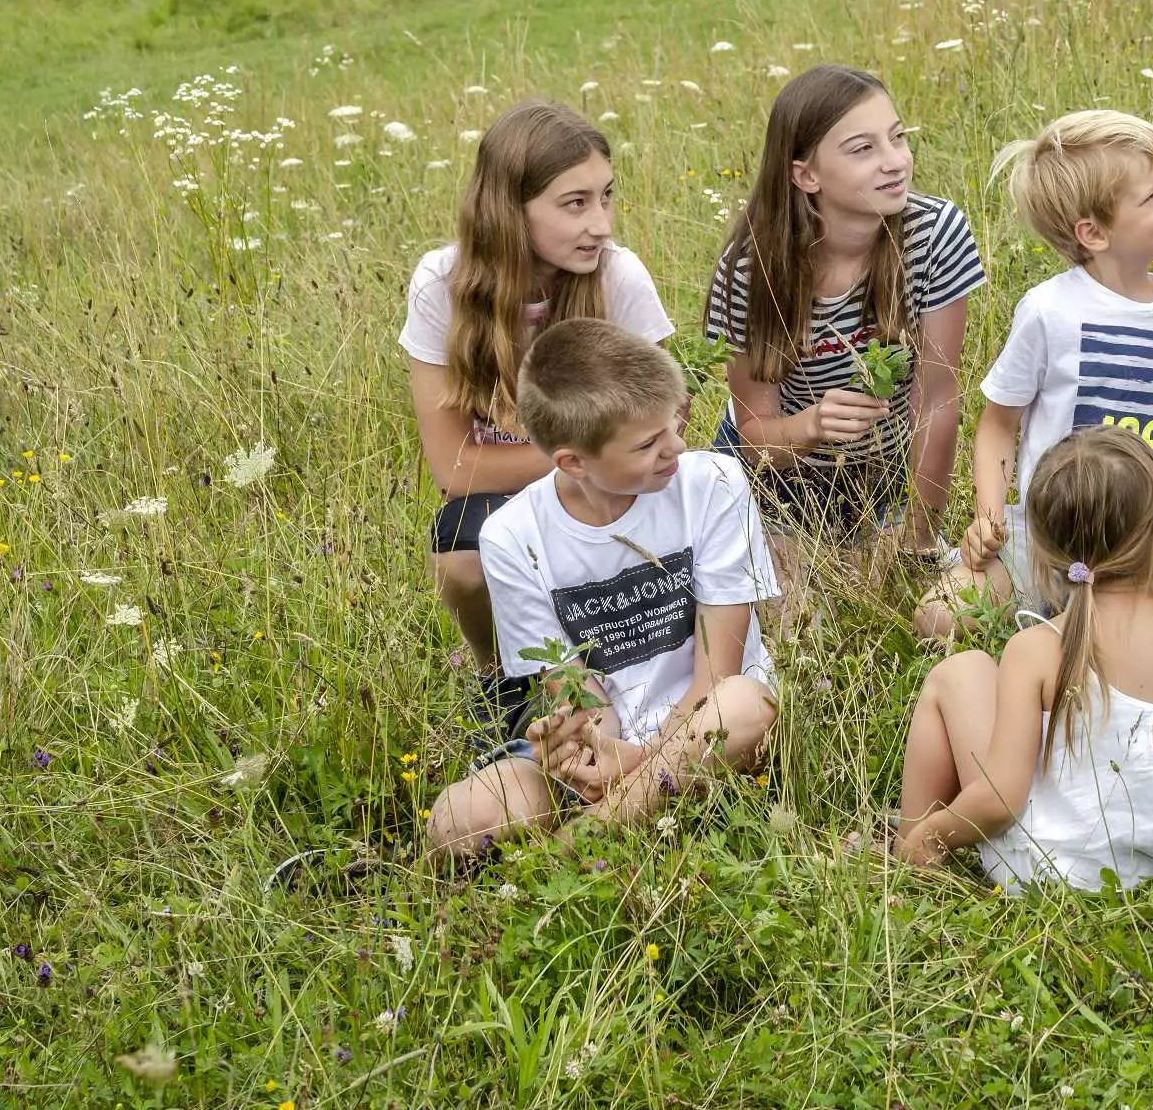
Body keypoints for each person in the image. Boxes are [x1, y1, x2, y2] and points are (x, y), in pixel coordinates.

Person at [420, 320, 778, 863]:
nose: (676, 448)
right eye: (647, 443)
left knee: (746, 706)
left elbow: (718, 676)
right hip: (613, 742)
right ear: (573, 462)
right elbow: (578, 689)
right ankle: (600, 826)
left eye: (673, 425)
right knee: (460, 819)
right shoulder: (513, 536)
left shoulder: (715, 483)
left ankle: (571, 851)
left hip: (708, 728)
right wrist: (584, 747)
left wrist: (638, 760)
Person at [918, 111, 1153, 642]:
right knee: (940, 615)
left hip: (1142, 551)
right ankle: (1041, 643)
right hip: (1041, 539)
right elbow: (998, 425)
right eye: (1152, 195)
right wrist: (989, 517)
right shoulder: (1049, 311)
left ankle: (1066, 640)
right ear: (1094, 232)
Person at [400, 100, 677, 682]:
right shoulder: (441, 286)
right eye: (575, 204)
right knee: (463, 561)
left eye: (605, 196)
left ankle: (623, 669)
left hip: (611, 485)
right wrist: (579, 458)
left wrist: (600, 465)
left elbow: (664, 425)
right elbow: (455, 468)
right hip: (561, 475)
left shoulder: (617, 277)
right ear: (509, 213)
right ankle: (498, 675)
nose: (600, 223)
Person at [893, 428, 1153, 892]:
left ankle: (911, 847)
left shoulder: (1037, 649)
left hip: (1055, 869)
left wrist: (933, 831)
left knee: (958, 673)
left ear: (1044, 557)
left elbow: (1001, 798)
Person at [701, 65, 986, 563]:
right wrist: (811, 425)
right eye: (863, 149)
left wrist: (918, 537)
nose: (894, 161)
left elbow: (936, 402)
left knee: (899, 588)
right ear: (805, 175)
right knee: (792, 613)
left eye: (897, 138)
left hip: (881, 473)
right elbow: (754, 438)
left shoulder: (935, 234)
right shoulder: (751, 269)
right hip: (778, 478)